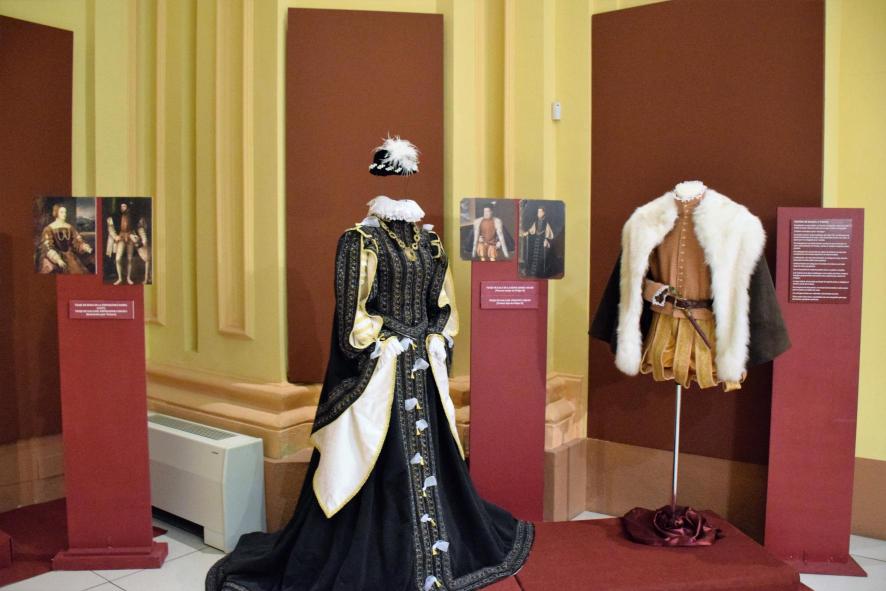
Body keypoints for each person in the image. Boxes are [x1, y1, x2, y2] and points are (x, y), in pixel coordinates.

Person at [206, 137, 533, 591]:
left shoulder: (430, 242)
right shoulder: (359, 241)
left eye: (405, 177)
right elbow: (351, 314)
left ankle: (439, 547)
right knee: (380, 461)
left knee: (436, 457)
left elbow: (442, 303)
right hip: (383, 370)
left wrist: (435, 336)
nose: (400, 184)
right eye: (392, 177)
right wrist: (383, 342)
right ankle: (384, 554)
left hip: (423, 367)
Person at [36, 203, 93, 274]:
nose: (64, 214)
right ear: (56, 213)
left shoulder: (70, 227)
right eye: (61, 212)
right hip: (56, 258)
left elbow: (77, 241)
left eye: (65, 212)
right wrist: (57, 259)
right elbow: (47, 247)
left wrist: (85, 248)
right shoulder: (49, 228)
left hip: (70, 257)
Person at [520, 206, 555, 278]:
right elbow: (532, 230)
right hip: (535, 241)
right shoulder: (535, 222)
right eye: (538, 212)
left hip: (542, 242)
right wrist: (526, 233)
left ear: (543, 213)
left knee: (541, 257)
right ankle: (533, 272)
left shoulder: (546, 223)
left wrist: (546, 239)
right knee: (533, 256)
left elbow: (549, 233)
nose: (538, 213)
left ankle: (541, 273)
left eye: (540, 212)